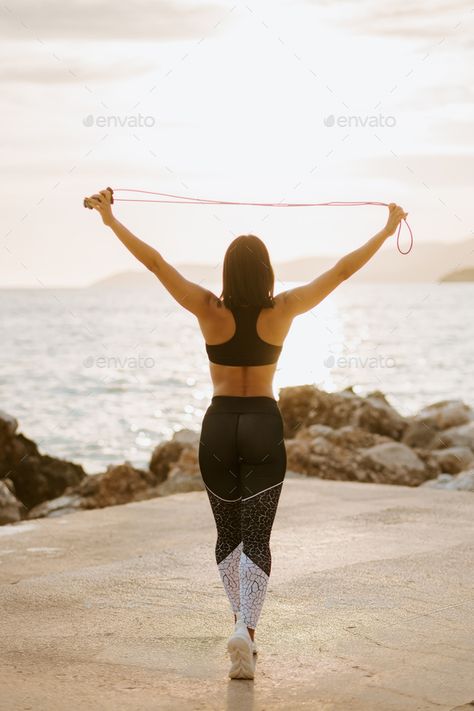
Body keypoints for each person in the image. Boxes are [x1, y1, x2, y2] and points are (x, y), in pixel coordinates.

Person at [85, 188, 407, 679]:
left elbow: (154, 262)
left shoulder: (206, 309)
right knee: (258, 535)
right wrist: (386, 230)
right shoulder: (284, 310)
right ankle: (245, 631)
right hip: (262, 422)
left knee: (227, 536)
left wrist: (110, 220)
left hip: (218, 425)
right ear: (267, 272)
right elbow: (342, 271)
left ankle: (241, 625)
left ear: (227, 271)